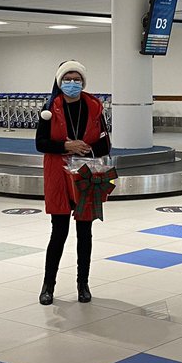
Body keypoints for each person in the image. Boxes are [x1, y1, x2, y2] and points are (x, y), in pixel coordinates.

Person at [35, 60, 111, 305]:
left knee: (85, 232)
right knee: (59, 231)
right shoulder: (50, 108)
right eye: (67, 79)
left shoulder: (94, 107)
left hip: (86, 174)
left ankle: (83, 284)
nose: (72, 83)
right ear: (60, 82)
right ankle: (48, 286)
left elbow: (106, 143)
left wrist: (85, 148)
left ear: (83, 82)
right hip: (58, 174)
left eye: (76, 79)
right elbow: (40, 143)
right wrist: (66, 146)